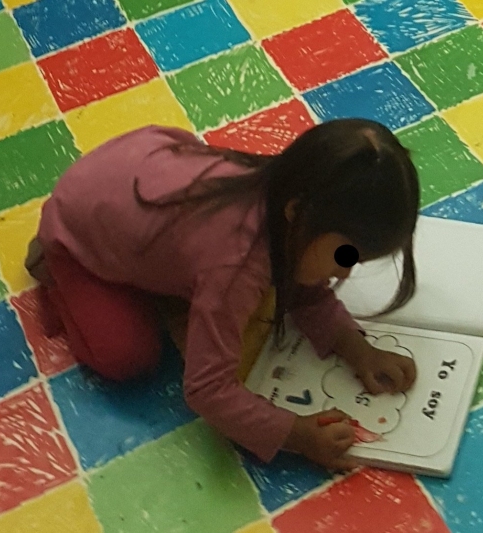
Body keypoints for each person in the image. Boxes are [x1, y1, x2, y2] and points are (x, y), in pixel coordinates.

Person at [24, 119, 420, 471]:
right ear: (297, 213)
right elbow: (207, 389)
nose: (344, 274)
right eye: (345, 256)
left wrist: (358, 349)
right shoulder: (235, 265)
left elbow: (307, 293)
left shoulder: (290, 191)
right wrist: (296, 434)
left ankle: (152, 261)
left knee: (243, 287)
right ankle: (53, 264)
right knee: (127, 357)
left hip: (132, 166)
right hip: (77, 227)